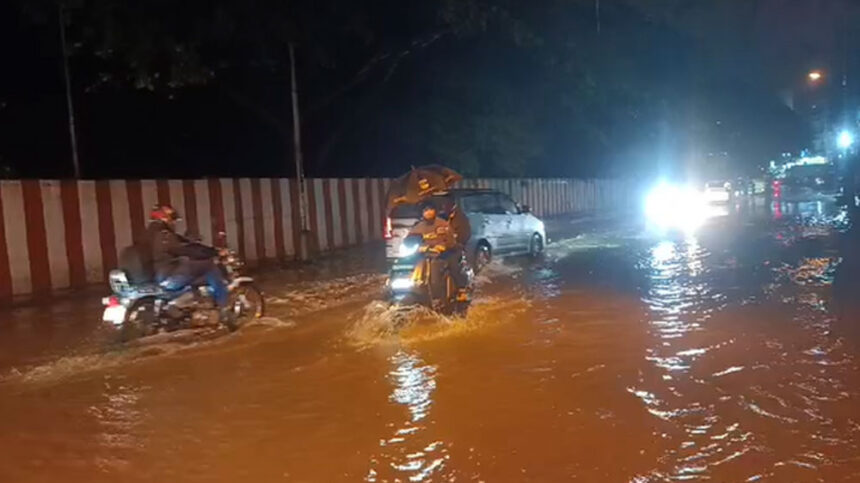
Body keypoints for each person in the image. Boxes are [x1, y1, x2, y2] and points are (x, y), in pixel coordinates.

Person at [147, 205, 233, 322]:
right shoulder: (164, 235)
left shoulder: (152, 234)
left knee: (193, 269)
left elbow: (186, 243)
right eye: (172, 219)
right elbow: (186, 249)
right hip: (169, 274)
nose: (174, 223)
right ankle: (225, 308)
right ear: (165, 218)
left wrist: (204, 248)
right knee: (209, 265)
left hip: (158, 275)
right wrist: (213, 252)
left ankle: (193, 301)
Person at [408, 201, 468, 303]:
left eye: (431, 209)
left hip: (443, 255)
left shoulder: (443, 224)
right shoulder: (417, 227)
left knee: (446, 269)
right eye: (425, 210)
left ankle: (456, 292)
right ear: (422, 213)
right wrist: (420, 247)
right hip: (423, 255)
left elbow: (451, 241)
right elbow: (409, 241)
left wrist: (443, 247)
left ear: (435, 211)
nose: (428, 212)